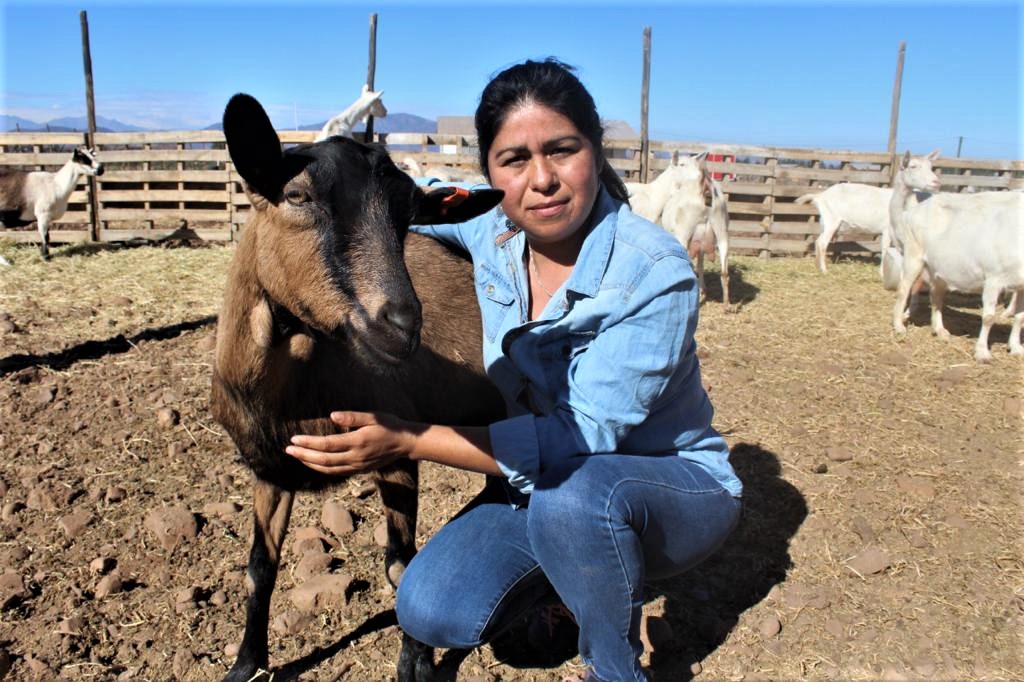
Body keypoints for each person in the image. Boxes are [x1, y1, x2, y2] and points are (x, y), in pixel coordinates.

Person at [286, 58, 742, 682]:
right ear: (491, 172)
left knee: (576, 498)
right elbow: (413, 202)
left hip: (667, 491)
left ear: (595, 149)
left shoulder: (653, 273)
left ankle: (614, 665)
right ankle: (571, 580)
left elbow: (574, 442)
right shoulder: (493, 230)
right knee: (426, 606)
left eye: (562, 150)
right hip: (543, 488)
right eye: (514, 160)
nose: (543, 180)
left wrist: (409, 438)